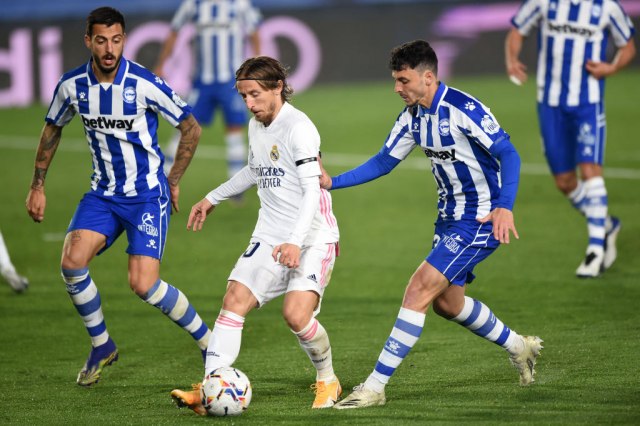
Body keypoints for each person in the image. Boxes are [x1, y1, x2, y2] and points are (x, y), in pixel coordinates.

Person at [318, 40, 543, 410]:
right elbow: (384, 161)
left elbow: (508, 153)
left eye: (403, 80)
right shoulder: (413, 116)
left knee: (418, 288)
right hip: (448, 219)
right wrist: (332, 183)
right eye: (395, 80)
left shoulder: (463, 109)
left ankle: (374, 388)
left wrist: (504, 207)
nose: (397, 88)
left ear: (427, 77)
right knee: (449, 305)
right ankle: (520, 346)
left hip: (480, 218)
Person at [25, 7, 210, 387]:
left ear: (124, 39)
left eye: (116, 40)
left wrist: (174, 179)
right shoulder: (71, 86)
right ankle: (102, 345)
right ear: (88, 41)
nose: (109, 49)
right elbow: (52, 129)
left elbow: (191, 127)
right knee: (72, 262)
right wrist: (37, 185)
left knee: (144, 285)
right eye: (101, 40)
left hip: (146, 196)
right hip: (103, 195)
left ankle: (210, 343)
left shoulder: (144, 83)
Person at [170, 56, 342, 414]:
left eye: (254, 94)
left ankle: (328, 379)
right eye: (244, 96)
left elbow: (313, 192)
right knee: (234, 299)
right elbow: (255, 169)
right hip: (270, 232)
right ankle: (210, 389)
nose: (249, 104)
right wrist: (213, 197)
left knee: (296, 315)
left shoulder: (299, 128)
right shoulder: (256, 125)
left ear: (277, 87)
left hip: (313, 236)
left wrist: (295, 241)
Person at [505, 0, 636, 278]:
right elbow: (517, 30)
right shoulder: (543, 2)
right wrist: (512, 59)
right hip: (550, 105)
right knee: (564, 182)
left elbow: (628, 46)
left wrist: (611, 68)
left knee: (590, 170)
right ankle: (606, 225)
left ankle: (595, 251)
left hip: (588, 103)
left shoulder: (606, 7)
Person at [154, 0, 262, 197]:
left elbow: (254, 31)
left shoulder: (239, 4)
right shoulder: (193, 4)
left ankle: (236, 189)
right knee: (185, 127)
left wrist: (257, 64)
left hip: (231, 81)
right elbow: (174, 30)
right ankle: (162, 180)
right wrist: (161, 64)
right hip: (201, 83)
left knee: (234, 130)